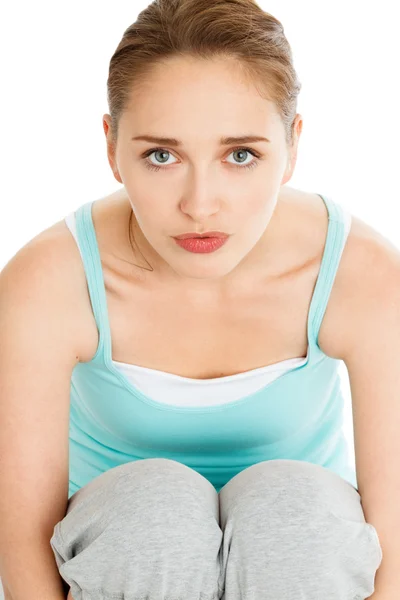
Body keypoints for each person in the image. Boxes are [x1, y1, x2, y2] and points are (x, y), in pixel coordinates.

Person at [0, 0, 388, 599]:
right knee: (151, 510)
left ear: (293, 144)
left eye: (240, 155)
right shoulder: (50, 279)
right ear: (111, 146)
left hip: (300, 571)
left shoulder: (363, 273)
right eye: (162, 155)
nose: (200, 204)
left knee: (297, 512)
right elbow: (23, 555)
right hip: (123, 571)